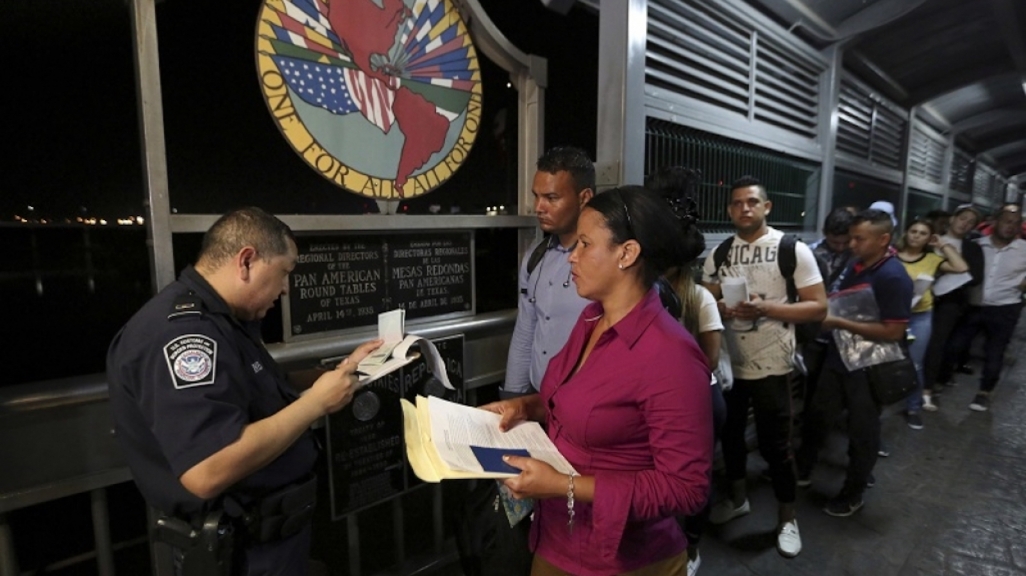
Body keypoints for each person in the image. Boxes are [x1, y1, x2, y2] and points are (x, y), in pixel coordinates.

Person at [107, 207, 382, 575]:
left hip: (271, 537)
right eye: (285, 271)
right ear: (247, 261)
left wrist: (333, 373)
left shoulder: (225, 320)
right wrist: (315, 404)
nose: (286, 289)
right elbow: (206, 470)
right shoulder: (184, 335)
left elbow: (252, 387)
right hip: (239, 552)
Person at [485, 186, 713, 575]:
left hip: (622, 559)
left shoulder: (670, 356)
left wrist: (563, 486)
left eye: (585, 244)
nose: (572, 256)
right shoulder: (591, 319)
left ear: (627, 253)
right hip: (556, 537)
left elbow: (686, 488)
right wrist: (525, 406)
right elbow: (570, 398)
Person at [701, 176, 826, 559]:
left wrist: (766, 308)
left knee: (777, 446)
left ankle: (787, 518)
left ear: (766, 207)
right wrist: (719, 307)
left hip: (773, 365)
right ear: (729, 210)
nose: (745, 209)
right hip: (731, 366)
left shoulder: (791, 250)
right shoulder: (720, 253)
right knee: (733, 437)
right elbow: (705, 297)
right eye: (737, 203)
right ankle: (738, 498)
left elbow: (818, 307)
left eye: (752, 202)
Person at [797, 208, 913, 517]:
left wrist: (839, 323)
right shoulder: (857, 265)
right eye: (851, 238)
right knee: (817, 414)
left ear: (883, 239)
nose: (852, 244)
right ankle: (803, 470)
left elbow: (894, 331)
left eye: (859, 239)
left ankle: (853, 493)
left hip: (871, 366)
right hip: (841, 357)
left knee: (862, 431)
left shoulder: (893, 276)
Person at [647, 166, 724, 576]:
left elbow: (708, 362)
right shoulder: (648, 292)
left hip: (698, 397)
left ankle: (691, 547)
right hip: (668, 398)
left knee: (694, 480)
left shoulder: (699, 301)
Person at [504, 146, 595, 397]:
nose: (539, 207)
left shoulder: (604, 263)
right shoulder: (536, 257)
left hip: (583, 406)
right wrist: (513, 396)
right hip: (537, 397)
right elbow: (526, 330)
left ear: (584, 197)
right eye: (536, 196)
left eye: (551, 198)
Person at [936, 203, 1026, 412]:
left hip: (1005, 308)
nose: (1010, 226)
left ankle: (984, 392)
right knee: (955, 345)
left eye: (1015, 223)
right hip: (974, 306)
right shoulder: (976, 245)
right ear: (995, 222)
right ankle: (941, 380)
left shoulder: (1023, 250)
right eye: (1006, 221)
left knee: (995, 352)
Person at [894, 219, 968, 429]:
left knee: (915, 364)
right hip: (893, 315)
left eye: (923, 233)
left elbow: (961, 267)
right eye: (913, 231)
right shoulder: (891, 256)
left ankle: (913, 407)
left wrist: (942, 244)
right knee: (886, 361)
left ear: (929, 238)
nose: (916, 236)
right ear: (906, 233)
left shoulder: (933, 259)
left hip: (920, 316)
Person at [920, 204, 984, 410]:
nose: (964, 224)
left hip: (951, 303)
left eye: (970, 222)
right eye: (962, 218)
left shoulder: (973, 248)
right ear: (952, 219)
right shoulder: (930, 240)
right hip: (923, 298)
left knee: (940, 344)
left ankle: (929, 386)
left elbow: (975, 276)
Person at [808, 206, 856, 286]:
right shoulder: (808, 254)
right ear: (824, 233)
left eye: (846, 242)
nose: (841, 247)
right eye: (835, 243)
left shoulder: (858, 254)